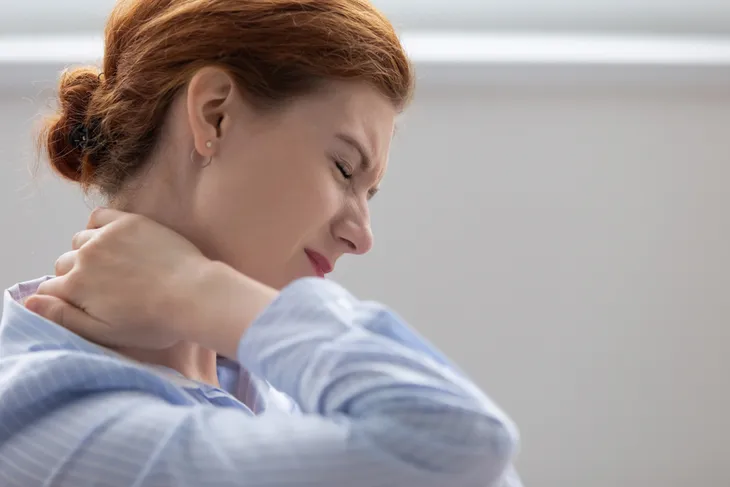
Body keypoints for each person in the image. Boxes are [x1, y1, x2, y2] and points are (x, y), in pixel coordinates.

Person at [0, 0, 522, 486]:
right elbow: (465, 445)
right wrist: (194, 288)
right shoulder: (46, 414)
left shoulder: (259, 381)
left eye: (370, 194)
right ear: (214, 115)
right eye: (343, 168)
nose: (361, 236)